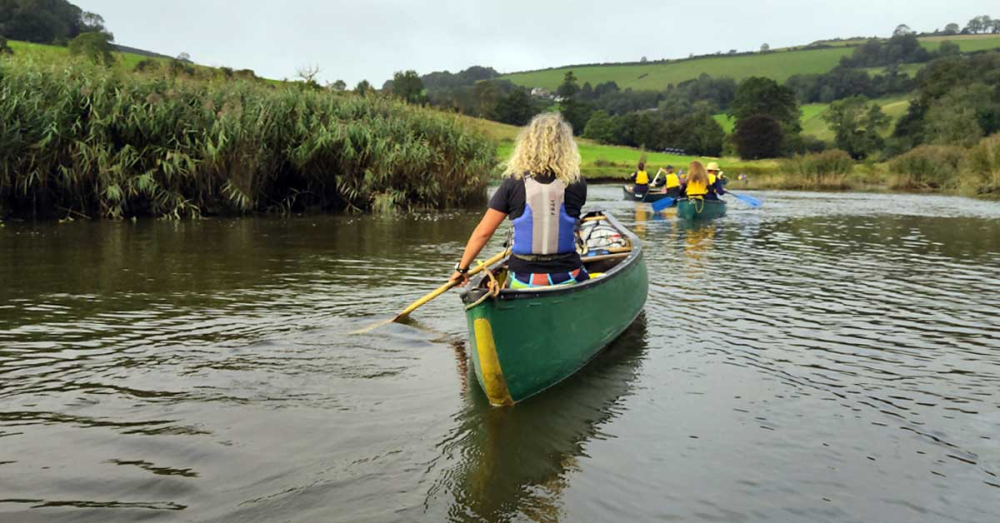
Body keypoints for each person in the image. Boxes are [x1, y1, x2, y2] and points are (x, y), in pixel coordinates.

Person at [450, 113, 589, 290]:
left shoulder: (512, 183)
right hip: (568, 275)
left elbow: (483, 232)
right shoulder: (577, 183)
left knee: (507, 284)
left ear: (527, 144)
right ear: (566, 147)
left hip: (523, 280)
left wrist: (462, 269)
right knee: (586, 276)